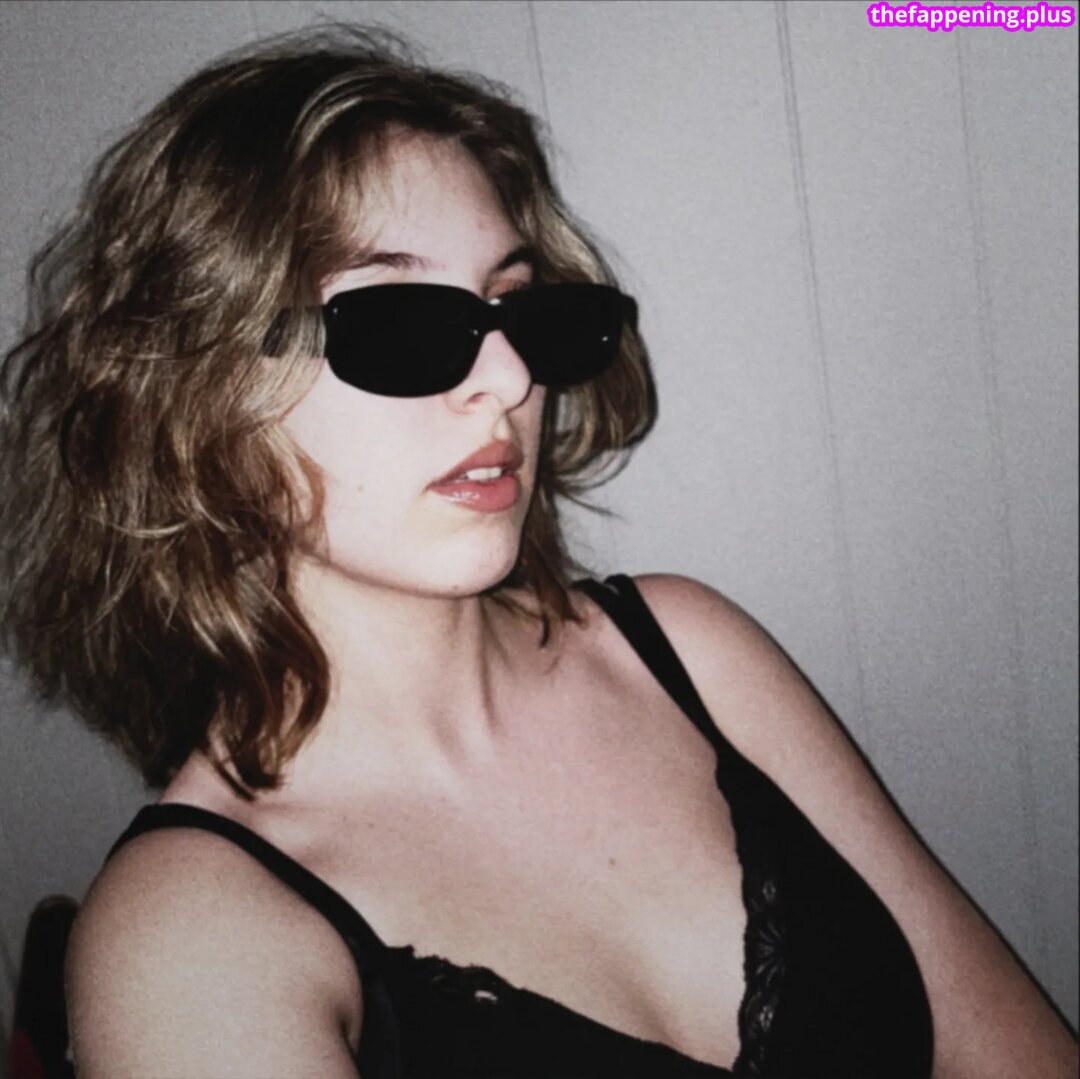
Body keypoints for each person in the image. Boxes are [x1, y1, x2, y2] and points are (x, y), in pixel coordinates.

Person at [0, 24, 1074, 1079]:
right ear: (193, 387)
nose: (512, 380)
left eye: (516, 308)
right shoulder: (188, 934)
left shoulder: (688, 652)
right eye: (400, 322)